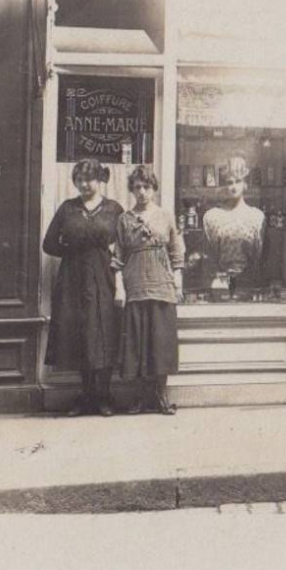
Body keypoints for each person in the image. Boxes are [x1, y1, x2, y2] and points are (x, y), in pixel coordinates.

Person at [42, 159, 124, 417]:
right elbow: (49, 244)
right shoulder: (67, 209)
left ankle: (104, 396)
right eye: (79, 179)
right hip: (73, 279)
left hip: (104, 277)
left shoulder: (114, 209)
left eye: (89, 179)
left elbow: (123, 245)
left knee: (104, 332)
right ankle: (86, 395)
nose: (84, 184)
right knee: (79, 334)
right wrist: (73, 249)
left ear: (101, 180)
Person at [113, 165, 184, 415]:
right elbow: (118, 258)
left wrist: (178, 280)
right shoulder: (124, 219)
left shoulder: (165, 216)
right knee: (137, 344)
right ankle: (139, 398)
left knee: (160, 344)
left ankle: (161, 397)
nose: (142, 192)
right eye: (137, 187)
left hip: (162, 285)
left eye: (146, 187)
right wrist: (119, 288)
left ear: (153, 189)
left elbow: (176, 250)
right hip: (135, 286)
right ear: (132, 190)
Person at [202, 156, 265, 292]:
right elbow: (210, 254)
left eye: (238, 181)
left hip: (249, 281)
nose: (234, 187)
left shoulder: (256, 216)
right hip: (220, 281)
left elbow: (258, 254)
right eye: (230, 182)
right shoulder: (213, 216)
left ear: (245, 184)